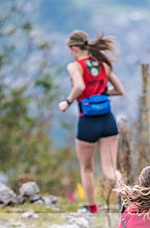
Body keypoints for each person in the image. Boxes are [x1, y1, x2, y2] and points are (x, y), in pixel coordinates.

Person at [58, 30, 125, 214]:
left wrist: (67, 101)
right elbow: (120, 90)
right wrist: (102, 93)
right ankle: (125, 198)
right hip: (107, 120)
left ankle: (93, 209)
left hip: (87, 121)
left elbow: (79, 86)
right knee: (110, 171)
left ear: (73, 48)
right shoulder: (103, 64)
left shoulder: (75, 66)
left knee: (86, 168)